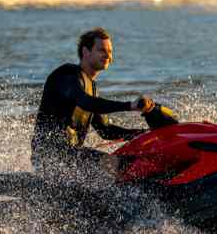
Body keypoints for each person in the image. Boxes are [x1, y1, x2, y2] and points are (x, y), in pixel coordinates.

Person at [31, 27, 154, 184]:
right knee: (118, 164)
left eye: (110, 51)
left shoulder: (91, 87)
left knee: (122, 165)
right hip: (50, 156)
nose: (108, 55)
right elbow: (86, 102)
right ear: (85, 52)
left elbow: (106, 130)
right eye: (101, 50)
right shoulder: (67, 75)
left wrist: (142, 134)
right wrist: (130, 105)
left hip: (71, 157)